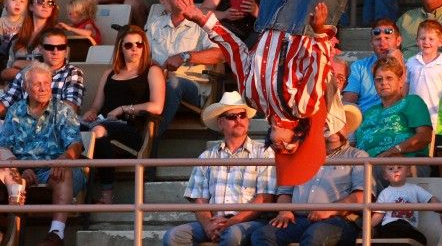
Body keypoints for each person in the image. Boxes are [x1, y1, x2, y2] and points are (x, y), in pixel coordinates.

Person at [181, 0, 419, 186]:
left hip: (270, 20)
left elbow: (235, 50)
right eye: (288, 147)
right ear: (298, 135)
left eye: (278, 148)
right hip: (306, 25)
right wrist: (319, 31)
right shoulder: (302, 106)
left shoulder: (253, 99)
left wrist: (204, 21)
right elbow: (317, 64)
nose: (279, 145)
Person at [163, 91, 276, 246]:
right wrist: (208, 224)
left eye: (242, 115)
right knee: (173, 237)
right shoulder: (206, 156)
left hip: (249, 221)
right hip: (214, 221)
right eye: (231, 116)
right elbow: (199, 200)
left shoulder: (264, 152)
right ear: (221, 123)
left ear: (248, 120)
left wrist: (232, 222)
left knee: (232, 236)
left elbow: (265, 199)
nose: (238, 120)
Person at [251, 107, 368, 246]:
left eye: (338, 122)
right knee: (262, 235)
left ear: (347, 128)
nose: (332, 127)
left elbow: (361, 196)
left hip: (339, 219)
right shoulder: (298, 154)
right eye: (327, 122)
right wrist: (285, 210)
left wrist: (330, 210)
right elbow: (284, 193)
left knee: (315, 237)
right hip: (298, 219)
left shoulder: (358, 156)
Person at [0, 62, 85, 246]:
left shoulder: (62, 109)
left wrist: (65, 158)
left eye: (47, 83)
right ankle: (6, 233)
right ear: (26, 87)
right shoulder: (15, 110)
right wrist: (19, 168)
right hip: (21, 169)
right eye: (37, 84)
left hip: (53, 169)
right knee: (4, 170)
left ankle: (56, 234)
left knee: (64, 170)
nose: (43, 88)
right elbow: (4, 146)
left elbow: (76, 143)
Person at [81, 25, 165, 204]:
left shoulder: (151, 71)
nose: (134, 48)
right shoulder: (109, 73)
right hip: (103, 122)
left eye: (139, 44)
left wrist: (123, 109)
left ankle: (106, 193)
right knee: (76, 129)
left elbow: (157, 107)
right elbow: (96, 105)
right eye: (128, 45)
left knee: (98, 132)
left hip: (131, 128)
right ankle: (77, 190)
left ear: (145, 47)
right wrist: (91, 112)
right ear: (120, 48)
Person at [145, 0, 224, 136]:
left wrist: (185, 56)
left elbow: (220, 53)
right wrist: (151, 64)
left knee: (173, 83)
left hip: (192, 86)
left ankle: (148, 142)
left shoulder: (205, 21)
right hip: (157, 80)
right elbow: (142, 55)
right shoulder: (154, 24)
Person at [355, 56, 433, 178]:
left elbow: (424, 136)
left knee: (366, 174)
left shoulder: (412, 102)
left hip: (402, 164)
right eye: (379, 79)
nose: (383, 83)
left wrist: (393, 151)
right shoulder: (369, 112)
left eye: (389, 78)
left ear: (401, 81)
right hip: (366, 165)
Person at [0, 28, 85, 118]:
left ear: (66, 50)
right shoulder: (26, 72)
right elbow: (6, 102)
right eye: (49, 47)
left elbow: (71, 108)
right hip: (23, 126)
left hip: (56, 127)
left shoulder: (73, 72)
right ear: (40, 49)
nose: (55, 52)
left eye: (61, 47)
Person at [405, 19, 442, 140]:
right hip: (413, 118)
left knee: (432, 153)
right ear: (417, 41)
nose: (426, 42)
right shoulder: (410, 62)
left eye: (431, 39)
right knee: (415, 152)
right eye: (422, 38)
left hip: (435, 121)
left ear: (440, 41)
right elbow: (405, 88)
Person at [343, 19, 403, 112]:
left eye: (387, 38)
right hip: (365, 120)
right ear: (371, 44)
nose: (382, 43)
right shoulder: (359, 66)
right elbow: (347, 102)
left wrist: (400, 64)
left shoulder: (411, 66)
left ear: (398, 41)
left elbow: (406, 100)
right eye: (378, 39)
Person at [372, 164, 440, 245]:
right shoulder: (384, 193)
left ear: (408, 171)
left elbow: (431, 199)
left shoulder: (414, 188)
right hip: (389, 226)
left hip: (407, 226)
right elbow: (379, 214)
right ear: (385, 176)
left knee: (421, 239)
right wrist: (369, 226)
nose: (396, 170)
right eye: (391, 168)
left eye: (399, 167)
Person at [1, 0, 58, 82]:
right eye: (40, 1)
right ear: (31, 6)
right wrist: (34, 67)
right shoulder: (16, 38)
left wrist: (19, 64)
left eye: (50, 3)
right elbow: (5, 73)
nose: (45, 5)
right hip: (15, 91)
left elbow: (55, 71)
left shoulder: (56, 38)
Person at [0, 0, 28, 67]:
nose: (18, 3)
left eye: (22, 1)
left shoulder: (27, 22)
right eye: (13, 0)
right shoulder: (1, 22)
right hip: (4, 57)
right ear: (5, 3)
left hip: (21, 56)